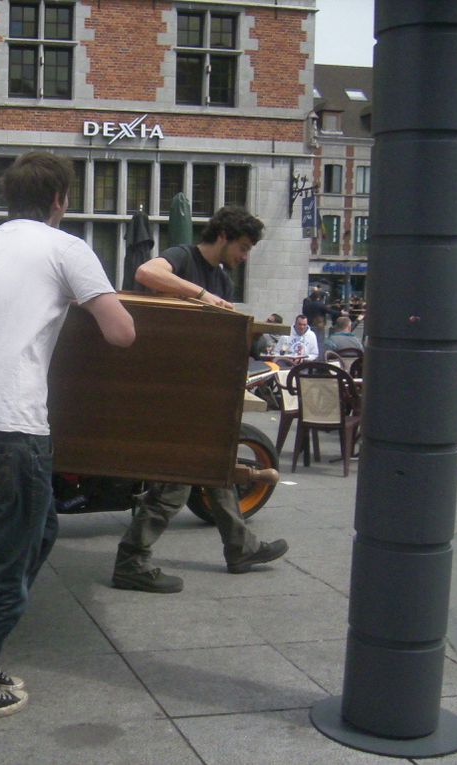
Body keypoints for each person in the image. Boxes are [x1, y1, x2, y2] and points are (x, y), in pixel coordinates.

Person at [0, 151, 135, 724]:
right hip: (14, 425)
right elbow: (121, 333)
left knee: (38, 530)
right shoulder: (65, 249)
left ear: (9, 198)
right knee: (7, 559)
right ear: (60, 199)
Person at [112, 206, 288, 595]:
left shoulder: (222, 279)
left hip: (195, 390)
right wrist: (203, 294)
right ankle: (130, 559)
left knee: (215, 464)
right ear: (223, 236)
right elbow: (146, 273)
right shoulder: (183, 257)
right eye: (242, 247)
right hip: (162, 389)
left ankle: (240, 548)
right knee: (178, 477)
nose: (244, 257)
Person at [302, 288, 339, 358]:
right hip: (318, 325)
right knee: (319, 343)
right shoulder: (319, 304)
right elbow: (330, 311)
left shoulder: (307, 303)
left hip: (309, 324)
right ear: (319, 297)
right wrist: (340, 313)